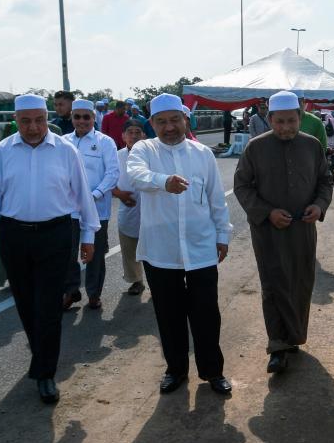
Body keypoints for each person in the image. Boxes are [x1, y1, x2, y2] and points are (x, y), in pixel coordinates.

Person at [0, 94, 100, 404]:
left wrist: (89, 237)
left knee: (48, 307)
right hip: (14, 236)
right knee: (26, 304)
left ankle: (45, 373)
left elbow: (82, 195)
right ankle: (41, 354)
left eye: (39, 120)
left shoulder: (65, 151)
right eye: (26, 121)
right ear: (15, 121)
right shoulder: (0, 153)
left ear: (47, 119)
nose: (34, 127)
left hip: (55, 234)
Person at [127, 93, 233, 395]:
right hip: (160, 251)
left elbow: (216, 199)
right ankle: (175, 370)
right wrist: (164, 182)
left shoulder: (202, 154)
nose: (169, 127)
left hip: (200, 248)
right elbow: (135, 175)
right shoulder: (144, 150)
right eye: (162, 122)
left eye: (175, 120)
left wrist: (222, 235)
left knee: (206, 314)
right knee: (168, 315)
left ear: (185, 120)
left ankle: (213, 372)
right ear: (152, 124)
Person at [233, 90, 332, 375]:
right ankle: (277, 346)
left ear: (300, 117)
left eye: (291, 121)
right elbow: (242, 186)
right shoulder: (255, 147)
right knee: (273, 284)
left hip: (303, 228)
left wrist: (318, 205)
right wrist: (267, 213)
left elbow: (325, 181)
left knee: (300, 281)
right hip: (268, 231)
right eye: (279, 122)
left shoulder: (312, 146)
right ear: (270, 119)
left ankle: (294, 338)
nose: (286, 128)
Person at [62, 99, 119, 310]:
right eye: (77, 117)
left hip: (97, 208)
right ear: (72, 118)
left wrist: (94, 195)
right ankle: (71, 291)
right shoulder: (64, 141)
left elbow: (113, 174)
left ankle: (94, 294)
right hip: (69, 210)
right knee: (67, 252)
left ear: (94, 118)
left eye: (87, 117)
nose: (82, 121)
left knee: (94, 254)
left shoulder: (105, 142)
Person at [112, 119, 145, 296]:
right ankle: (136, 281)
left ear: (144, 135)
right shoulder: (116, 156)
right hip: (128, 209)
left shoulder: (152, 154)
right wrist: (119, 194)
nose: (133, 135)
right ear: (123, 136)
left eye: (137, 132)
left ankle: (159, 280)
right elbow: (108, 182)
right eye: (130, 132)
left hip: (151, 209)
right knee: (129, 249)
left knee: (155, 247)